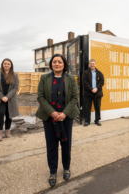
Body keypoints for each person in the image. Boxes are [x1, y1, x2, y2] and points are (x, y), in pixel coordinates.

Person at [36, 54, 79, 187]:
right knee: (52, 145)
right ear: (51, 64)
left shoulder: (71, 79)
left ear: (64, 64)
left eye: (59, 62)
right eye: (54, 62)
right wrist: (52, 113)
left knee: (66, 144)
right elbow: (41, 97)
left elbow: (74, 97)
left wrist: (64, 113)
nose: (57, 64)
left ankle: (66, 168)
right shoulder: (44, 78)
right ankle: (53, 172)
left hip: (66, 117)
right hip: (49, 118)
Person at [0, 58, 19, 142]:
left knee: (9, 114)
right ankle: (0, 133)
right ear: (2, 65)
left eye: (8, 64)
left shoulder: (15, 75)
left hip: (10, 99)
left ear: (11, 66)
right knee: (0, 113)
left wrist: (7, 97)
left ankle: (7, 132)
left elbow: (15, 88)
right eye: (5, 63)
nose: (6, 65)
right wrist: (2, 97)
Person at [82, 59, 104, 126]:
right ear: (89, 64)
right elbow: (84, 82)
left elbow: (102, 82)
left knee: (97, 107)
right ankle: (87, 121)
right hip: (88, 93)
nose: (92, 65)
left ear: (95, 64)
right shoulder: (85, 73)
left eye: (93, 63)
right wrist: (91, 89)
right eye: (91, 63)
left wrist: (96, 88)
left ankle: (97, 120)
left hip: (97, 93)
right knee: (87, 107)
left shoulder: (99, 73)